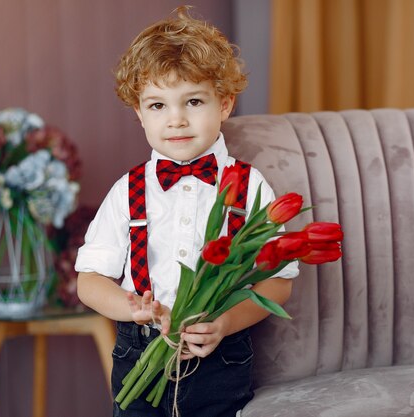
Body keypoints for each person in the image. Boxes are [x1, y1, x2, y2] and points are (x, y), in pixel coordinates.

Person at [75, 6, 298, 417]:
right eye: (158, 106)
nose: (176, 119)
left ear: (225, 104)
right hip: (138, 352)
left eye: (193, 101)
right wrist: (131, 308)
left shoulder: (250, 186)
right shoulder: (128, 191)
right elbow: (88, 281)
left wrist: (227, 323)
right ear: (139, 113)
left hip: (221, 361)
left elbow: (278, 283)